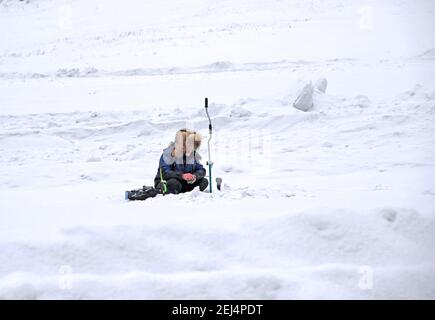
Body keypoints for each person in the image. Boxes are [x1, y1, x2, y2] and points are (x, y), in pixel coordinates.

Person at [154, 129, 208, 194]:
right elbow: (164, 173)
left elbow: (201, 170)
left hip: (185, 183)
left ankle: (186, 191)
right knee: (173, 183)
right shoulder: (169, 153)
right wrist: (182, 176)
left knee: (204, 181)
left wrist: (195, 176)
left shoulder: (192, 155)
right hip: (169, 181)